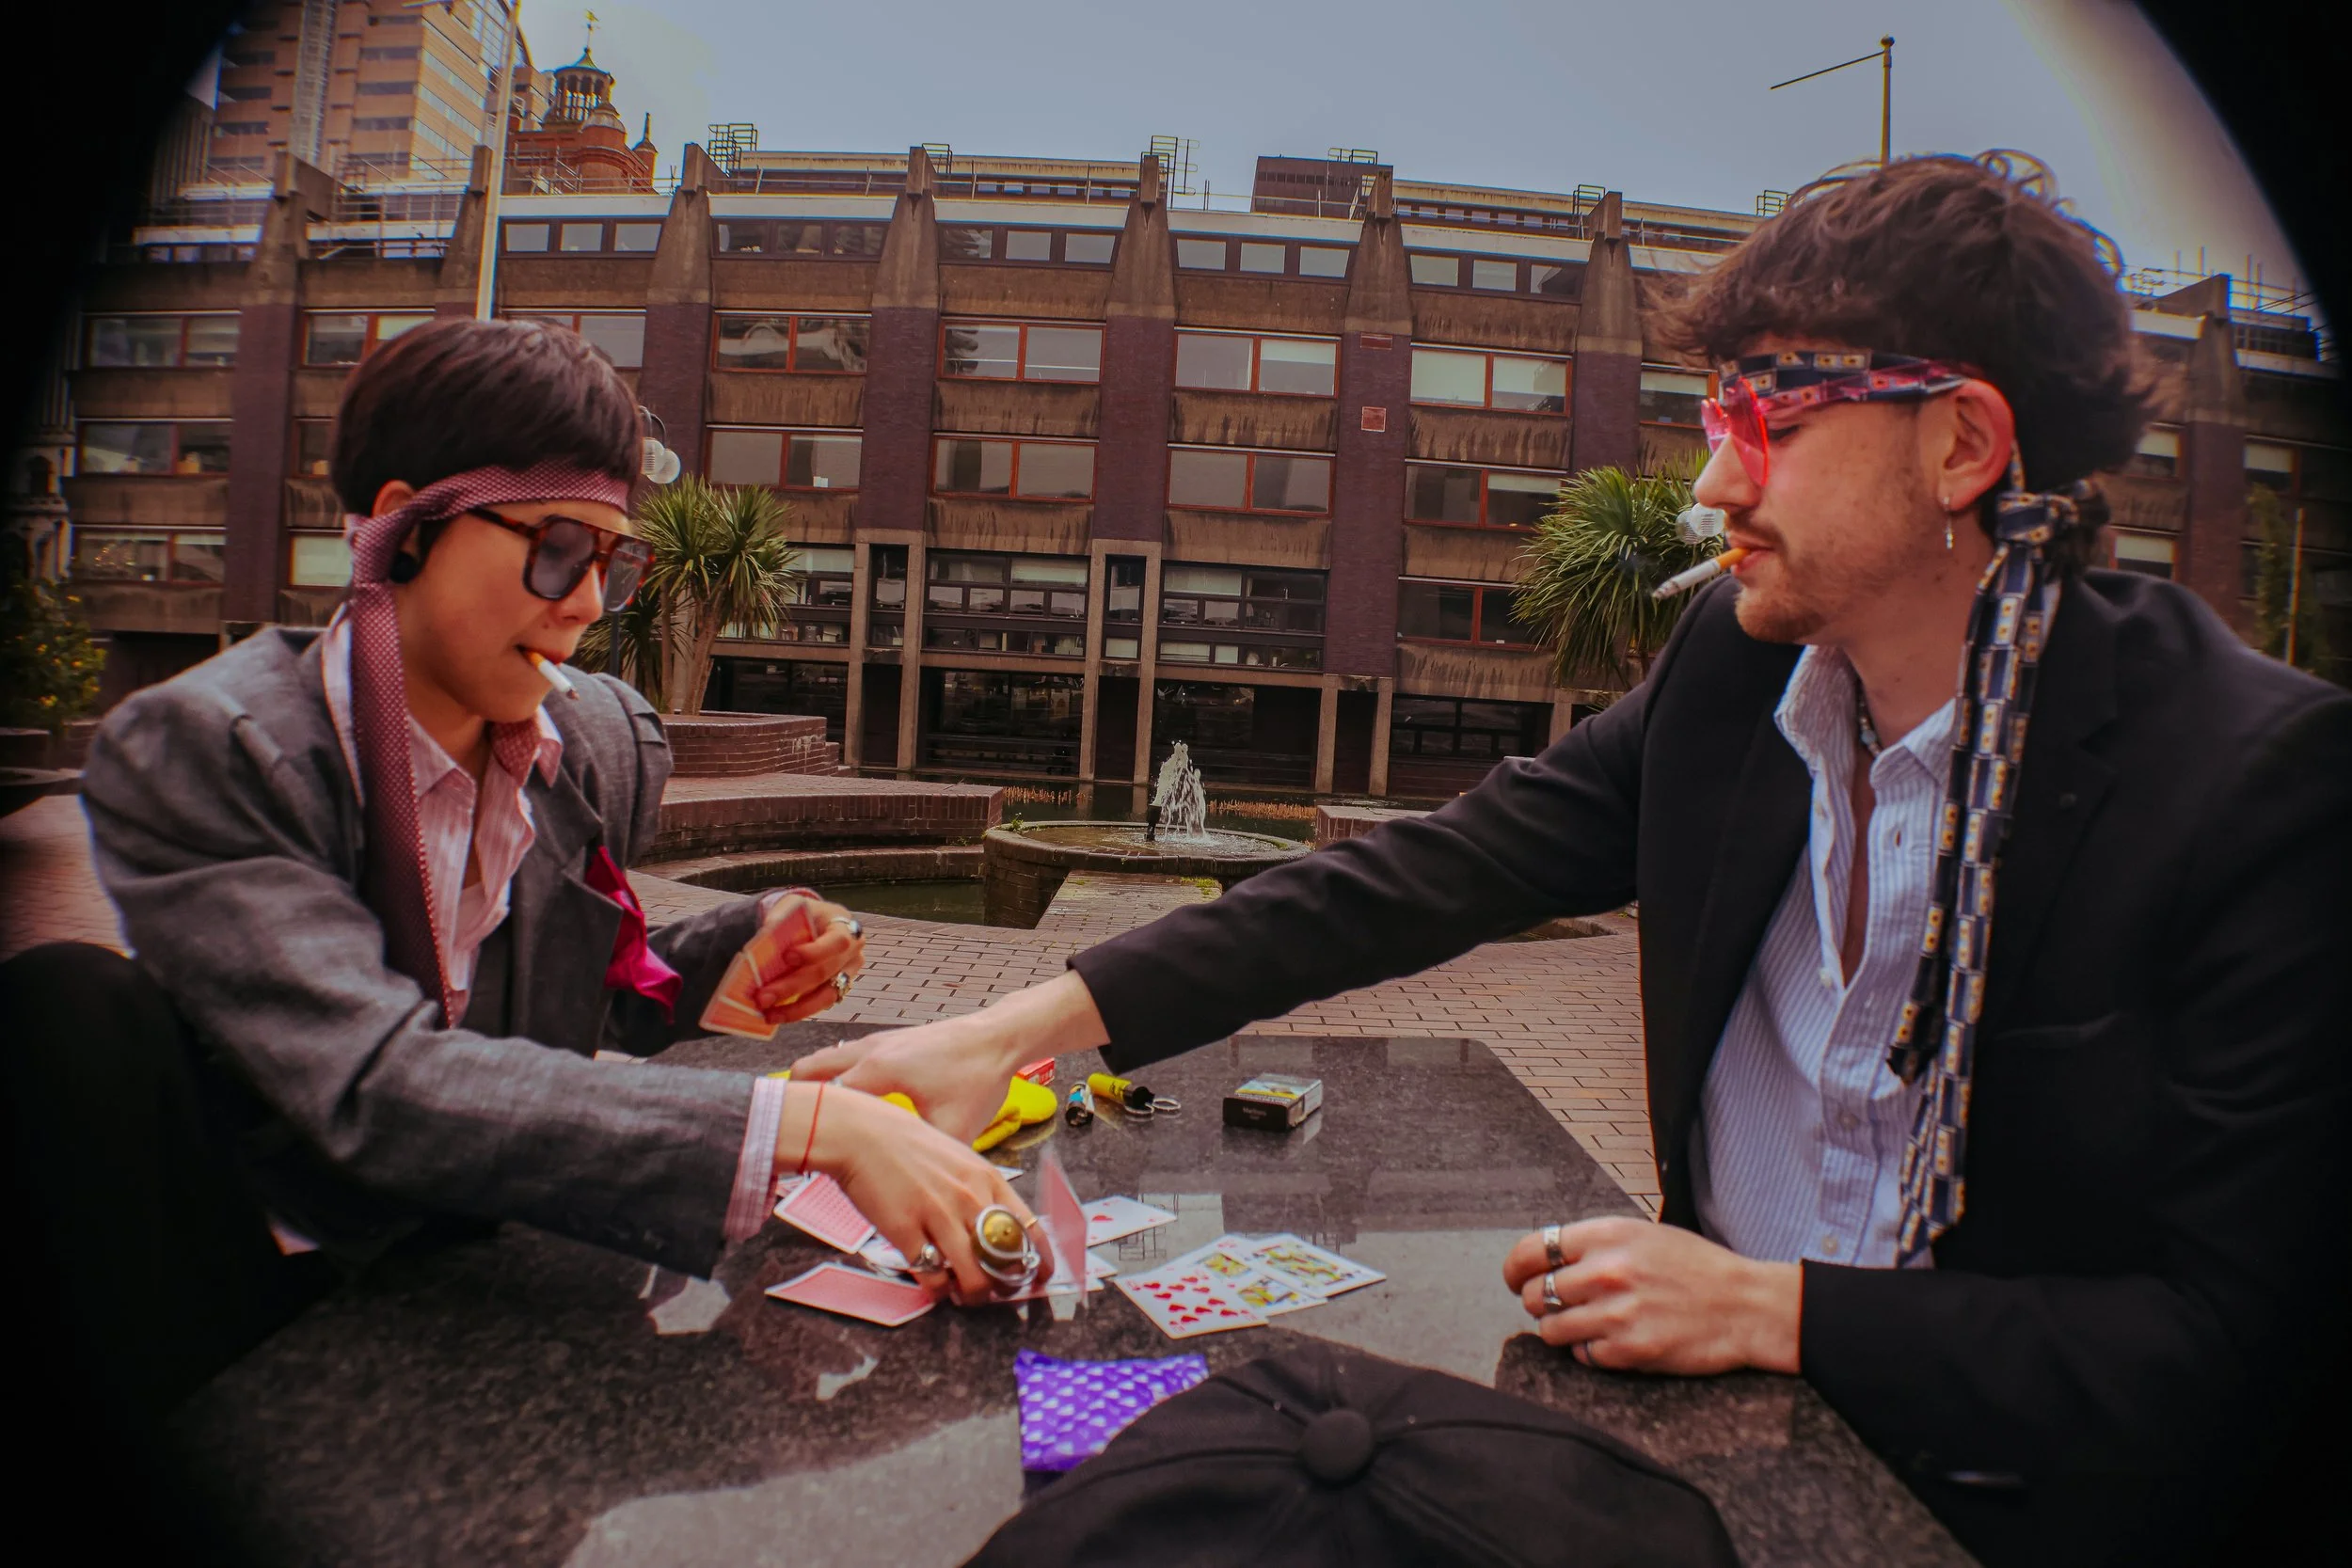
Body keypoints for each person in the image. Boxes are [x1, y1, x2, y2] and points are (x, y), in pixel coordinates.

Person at [793, 155, 2351, 1566]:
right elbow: (1414, 876)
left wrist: (1776, 1310)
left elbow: (2218, 1349)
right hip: (1719, 1448)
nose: (1712, 484)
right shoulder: (1732, 676)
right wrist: (1003, 1032)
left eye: (1768, 421)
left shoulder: (2254, 785)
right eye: (1712, 418)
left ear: (1960, 445)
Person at [0, 318, 1029, 1430]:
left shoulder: (592, 741)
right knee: (66, 1001)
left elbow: (546, 1020)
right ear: (405, 527)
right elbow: (377, 1080)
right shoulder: (210, 746)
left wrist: (732, 944)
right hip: (263, 1270)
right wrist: (799, 1125)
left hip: (486, 1244)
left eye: (612, 561)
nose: (586, 603)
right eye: (552, 547)